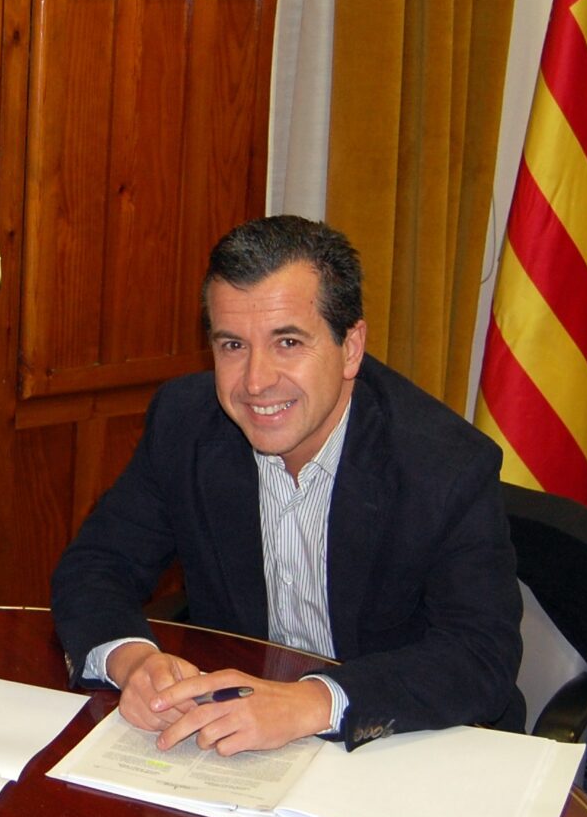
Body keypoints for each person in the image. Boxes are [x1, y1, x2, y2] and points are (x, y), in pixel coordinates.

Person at [50, 215, 523, 757]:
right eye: (233, 345)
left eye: (288, 341)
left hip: (400, 743)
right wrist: (133, 660)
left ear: (351, 347)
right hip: (240, 742)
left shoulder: (443, 463)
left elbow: (479, 655)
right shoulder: (185, 423)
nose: (255, 382)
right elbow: (97, 564)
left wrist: (310, 703)